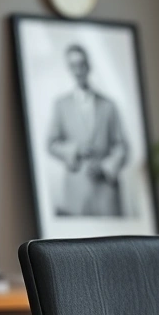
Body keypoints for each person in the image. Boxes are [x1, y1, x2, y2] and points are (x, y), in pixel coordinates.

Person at [47, 44, 129, 217]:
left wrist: (105, 167)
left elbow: (121, 146)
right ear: (69, 69)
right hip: (76, 190)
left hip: (106, 191)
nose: (78, 70)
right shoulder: (61, 105)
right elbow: (52, 143)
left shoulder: (108, 105)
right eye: (73, 66)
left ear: (88, 66)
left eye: (81, 64)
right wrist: (74, 150)